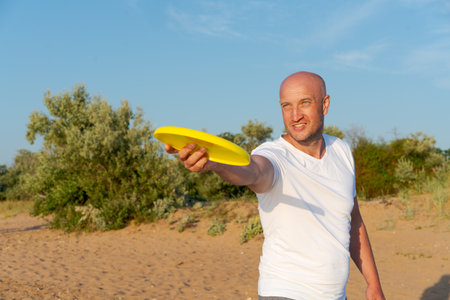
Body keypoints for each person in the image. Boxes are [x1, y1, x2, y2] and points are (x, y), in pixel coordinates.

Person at [165, 71, 385, 300]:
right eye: (286, 106)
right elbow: (252, 171)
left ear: (325, 104)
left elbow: (354, 219)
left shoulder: (341, 151)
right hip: (285, 293)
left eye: (305, 103)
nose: (295, 115)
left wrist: (373, 284)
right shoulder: (274, 155)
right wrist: (215, 163)